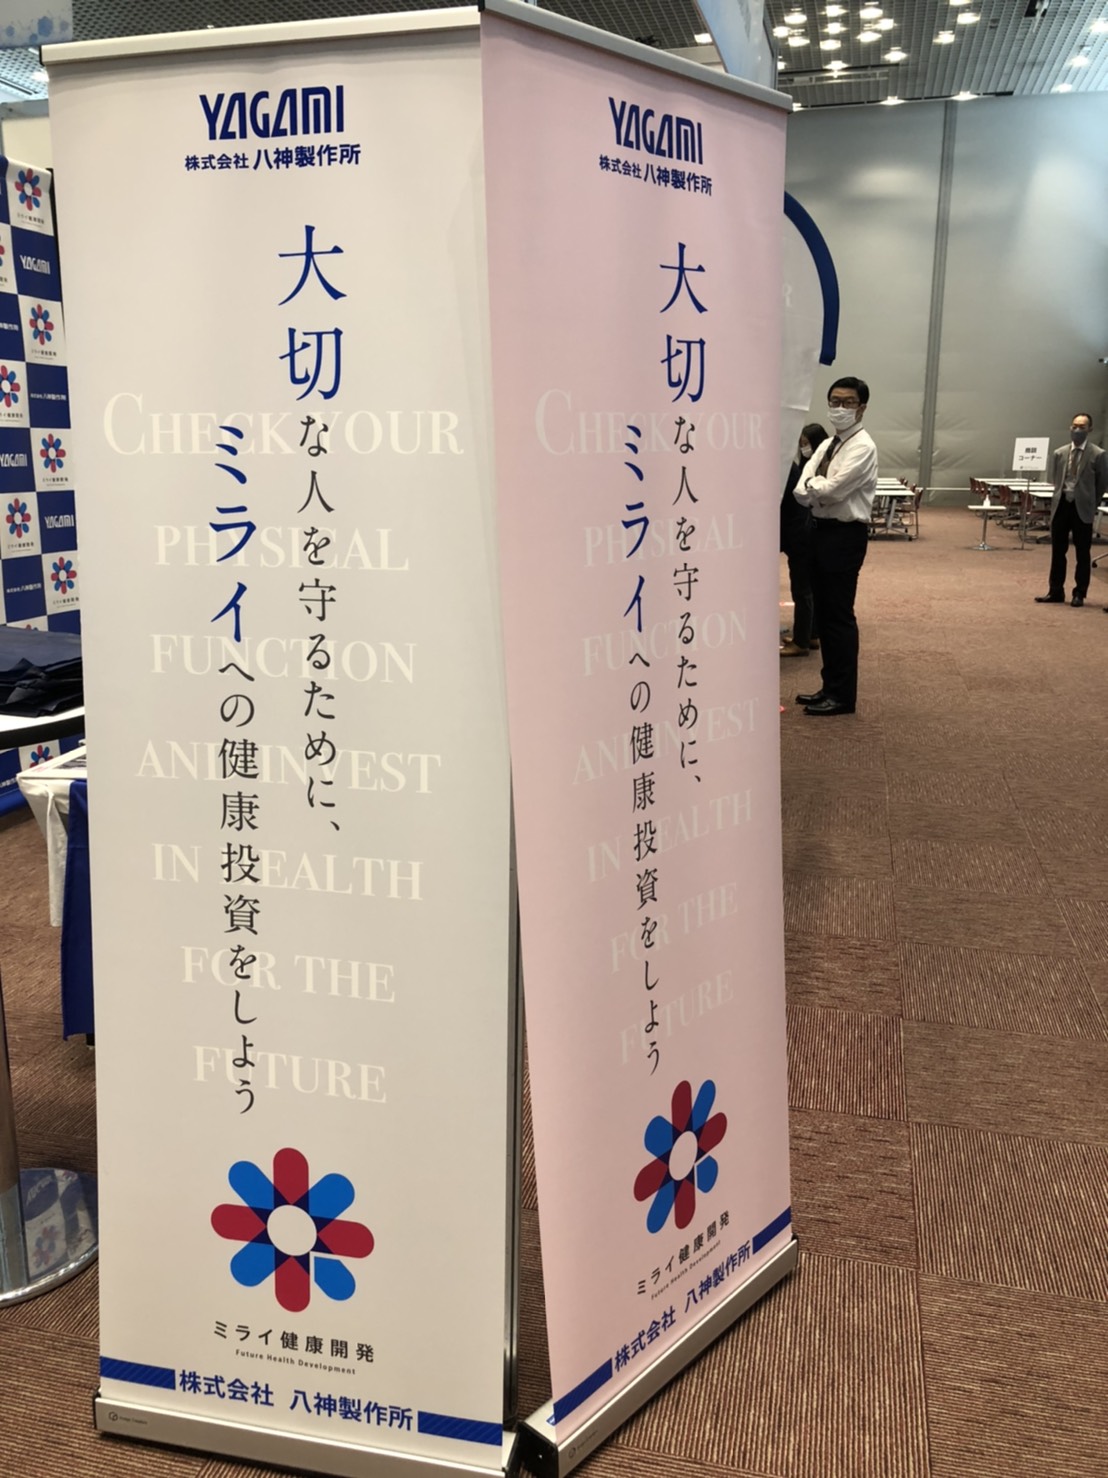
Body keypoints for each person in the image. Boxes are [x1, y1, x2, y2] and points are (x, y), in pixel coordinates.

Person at [791, 377, 878, 716]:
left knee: (839, 616)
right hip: (818, 531)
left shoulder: (863, 447)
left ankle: (842, 695)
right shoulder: (829, 443)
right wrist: (817, 487)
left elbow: (834, 490)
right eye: (834, 401)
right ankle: (829, 686)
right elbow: (802, 489)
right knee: (824, 617)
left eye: (848, 402)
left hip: (844, 535)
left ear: (862, 408)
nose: (840, 408)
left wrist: (816, 488)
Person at [1034, 413, 1108, 608]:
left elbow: (1101, 484)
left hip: (1082, 508)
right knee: (1058, 551)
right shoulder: (1059, 453)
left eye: (1082, 427)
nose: (1077, 430)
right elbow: (1056, 480)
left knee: (1082, 552)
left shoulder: (1098, 454)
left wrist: (1092, 503)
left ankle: (1079, 593)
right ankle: (1055, 590)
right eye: (1074, 426)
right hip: (1062, 506)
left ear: (1090, 429)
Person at [779, 421, 827, 657]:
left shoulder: (784, 470)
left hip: (799, 535)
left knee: (802, 589)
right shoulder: (791, 466)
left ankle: (801, 642)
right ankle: (811, 634)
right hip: (802, 532)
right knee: (807, 587)